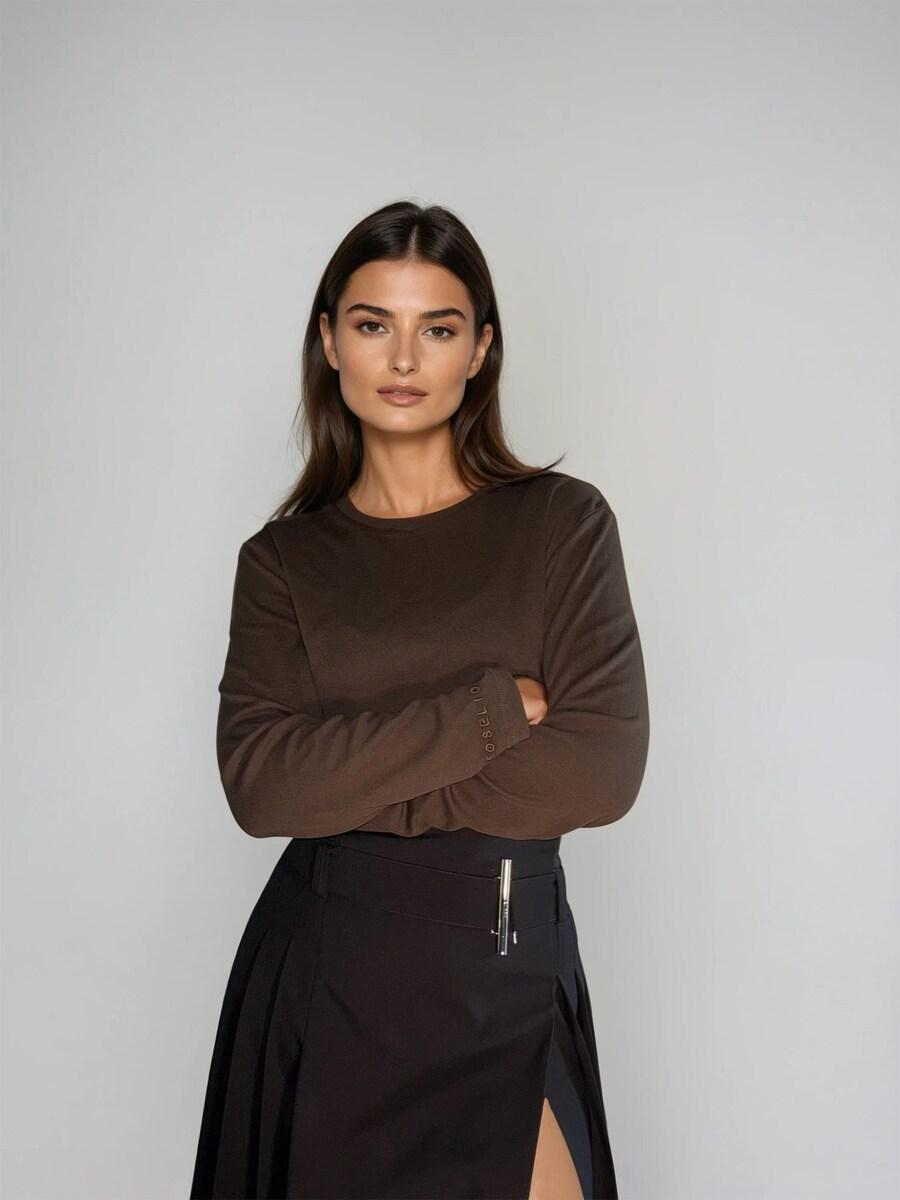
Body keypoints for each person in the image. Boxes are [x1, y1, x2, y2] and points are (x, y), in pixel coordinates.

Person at [189, 199, 650, 1200]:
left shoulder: (561, 525)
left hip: (505, 974)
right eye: (373, 324)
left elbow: (599, 771)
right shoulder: (283, 563)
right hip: (329, 977)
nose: (403, 358)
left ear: (480, 349)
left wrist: (352, 786)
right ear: (330, 342)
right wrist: (487, 717)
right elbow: (264, 791)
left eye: (437, 328)